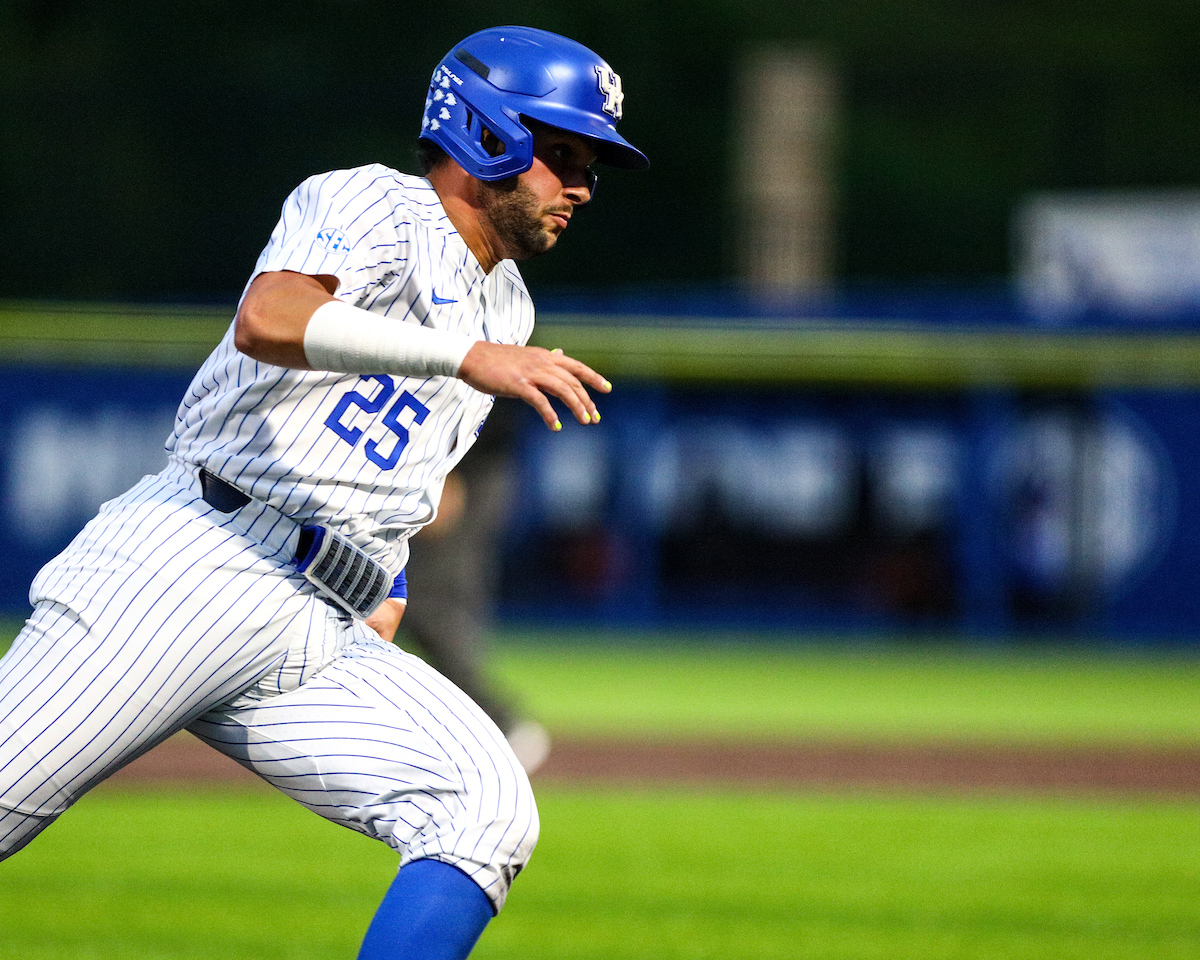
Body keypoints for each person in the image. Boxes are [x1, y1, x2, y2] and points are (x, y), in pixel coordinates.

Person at [0, 25, 647, 960]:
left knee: (483, 809)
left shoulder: (508, 306)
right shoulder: (373, 202)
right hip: (193, 565)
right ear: (487, 133)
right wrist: (466, 356)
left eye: (593, 163)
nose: (583, 185)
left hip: (315, 625)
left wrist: (388, 582)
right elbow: (271, 319)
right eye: (564, 153)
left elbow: (402, 472)